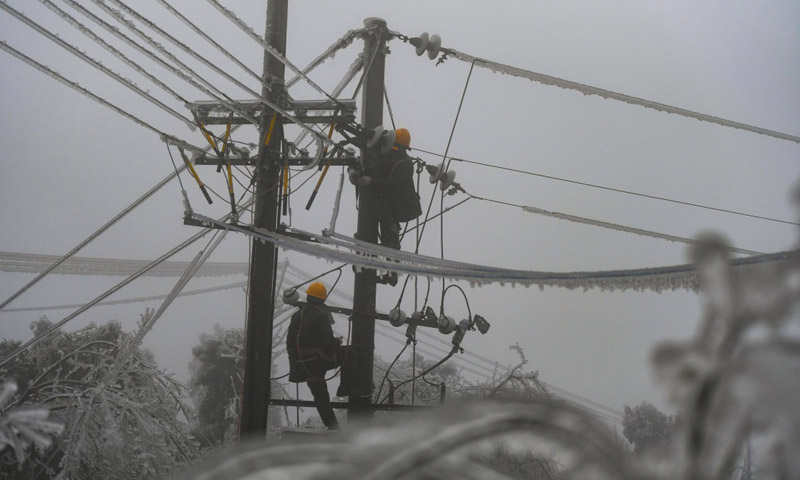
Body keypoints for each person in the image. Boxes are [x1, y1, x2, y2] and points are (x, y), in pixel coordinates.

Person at [287, 282, 360, 429]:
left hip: (304, 364)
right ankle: (344, 389)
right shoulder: (321, 316)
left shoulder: (297, 316)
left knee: (320, 395)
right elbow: (328, 343)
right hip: (319, 361)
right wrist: (338, 341)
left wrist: (298, 362)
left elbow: (290, 342)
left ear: (308, 297)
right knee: (350, 353)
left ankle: (332, 426)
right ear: (323, 300)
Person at [356, 128, 422, 285]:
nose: (390, 150)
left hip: (402, 204)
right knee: (380, 208)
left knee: (382, 209)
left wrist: (371, 181)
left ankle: (391, 255)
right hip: (390, 201)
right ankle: (385, 258)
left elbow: (393, 185)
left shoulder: (405, 164)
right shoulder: (387, 158)